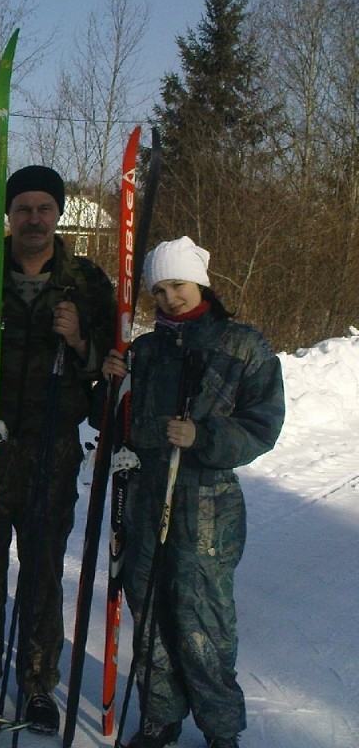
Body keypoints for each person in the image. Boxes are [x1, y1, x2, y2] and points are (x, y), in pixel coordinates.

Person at [0, 165, 115, 734]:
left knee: (41, 571)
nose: (33, 219)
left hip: (52, 449)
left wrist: (80, 341)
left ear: (58, 214)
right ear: (8, 218)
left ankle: (38, 684)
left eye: (44, 208)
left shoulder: (86, 284)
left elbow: (111, 371)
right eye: (23, 209)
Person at [100, 236, 284, 748]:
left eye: (177, 285)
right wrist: (111, 385)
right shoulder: (147, 349)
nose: (169, 298)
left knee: (204, 623)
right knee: (151, 615)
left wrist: (205, 438)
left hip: (207, 510)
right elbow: (118, 428)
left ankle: (221, 728)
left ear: (199, 281)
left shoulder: (244, 345)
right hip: (144, 502)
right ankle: (160, 715)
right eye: (158, 290)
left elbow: (262, 424)